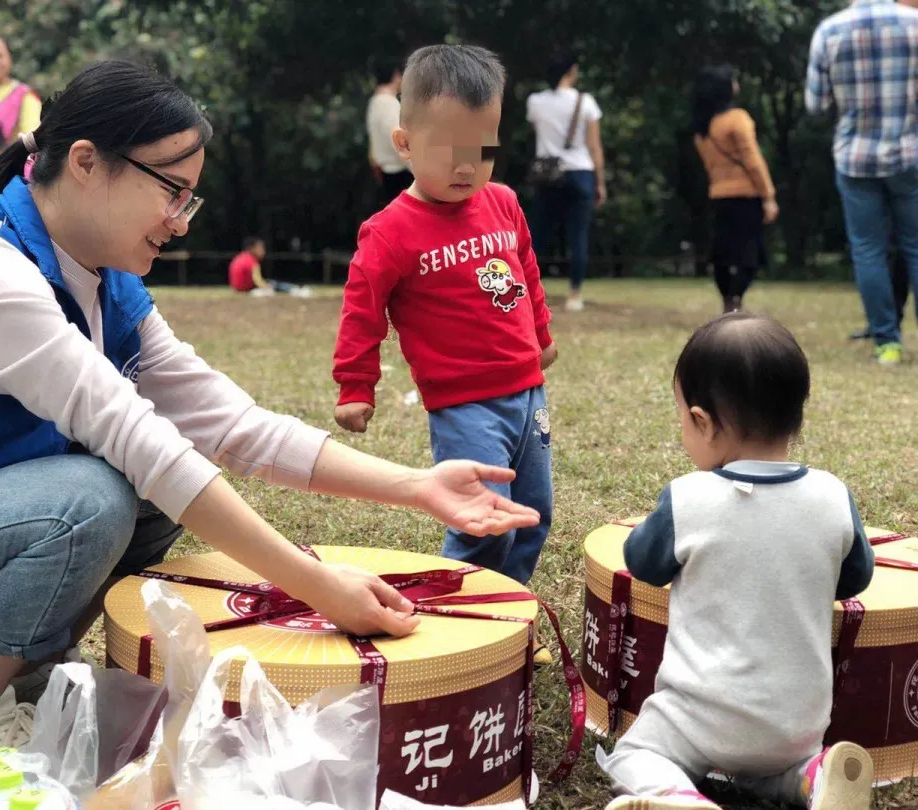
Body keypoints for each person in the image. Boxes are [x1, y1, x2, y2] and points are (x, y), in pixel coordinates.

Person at [0, 60, 540, 790]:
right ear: (86, 163)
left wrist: (418, 486)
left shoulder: (106, 282)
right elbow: (149, 449)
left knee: (126, 495)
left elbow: (233, 426)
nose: (180, 218)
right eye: (171, 190)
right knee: (96, 492)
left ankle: (17, 689)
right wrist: (318, 586)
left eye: (189, 197)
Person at [598, 313, 875, 810]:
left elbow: (642, 561)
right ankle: (812, 777)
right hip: (797, 722)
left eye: (682, 417)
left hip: (700, 716)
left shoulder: (687, 499)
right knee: (770, 775)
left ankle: (676, 793)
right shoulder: (834, 496)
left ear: (702, 422)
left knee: (634, 753)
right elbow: (854, 577)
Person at [332, 44, 555, 598]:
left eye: (482, 150)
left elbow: (525, 272)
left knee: (532, 514)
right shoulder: (390, 231)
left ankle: (505, 611)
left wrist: (542, 337)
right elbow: (362, 309)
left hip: (529, 394)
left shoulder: (502, 202)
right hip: (464, 405)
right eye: (450, 150)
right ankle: (458, 611)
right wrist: (355, 385)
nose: (466, 166)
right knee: (480, 522)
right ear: (404, 143)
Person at [806, 0, 918, 367]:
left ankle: (888, 343)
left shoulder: (830, 30)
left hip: (855, 158)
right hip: (911, 154)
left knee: (868, 250)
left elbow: (816, 105)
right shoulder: (914, 23)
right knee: (916, 246)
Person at [692, 65, 779, 314]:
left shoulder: (703, 129)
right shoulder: (737, 119)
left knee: (722, 252)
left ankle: (727, 300)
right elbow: (753, 160)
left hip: (719, 194)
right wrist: (768, 196)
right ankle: (736, 297)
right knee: (751, 252)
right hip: (746, 194)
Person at [526, 50, 607, 312]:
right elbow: (594, 147)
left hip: (547, 173)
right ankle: (574, 294)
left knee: (538, 235)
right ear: (571, 71)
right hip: (580, 172)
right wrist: (600, 182)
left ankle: (528, 290)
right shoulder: (586, 102)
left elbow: (538, 133)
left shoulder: (536, 101)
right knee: (578, 235)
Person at [366, 55, 413, 208]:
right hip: (401, 178)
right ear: (396, 75)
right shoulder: (389, 105)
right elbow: (402, 146)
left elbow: (372, 153)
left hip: (386, 177)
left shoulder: (374, 102)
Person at [228, 236, 311, 296]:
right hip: (247, 289)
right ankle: (296, 290)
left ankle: (295, 289)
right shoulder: (252, 262)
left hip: (237, 289)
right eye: (260, 248)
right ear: (251, 249)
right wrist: (266, 286)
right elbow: (257, 280)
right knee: (273, 283)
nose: (263, 251)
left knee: (270, 283)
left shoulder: (239, 258)